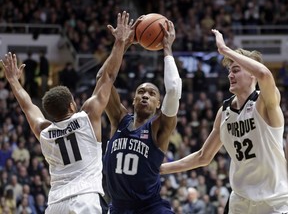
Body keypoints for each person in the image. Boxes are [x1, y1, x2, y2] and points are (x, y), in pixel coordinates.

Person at [0, 11, 138, 214]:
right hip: (85, 199)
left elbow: (27, 106)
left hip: (56, 204)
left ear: (51, 113)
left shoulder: (44, 131)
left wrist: (13, 81)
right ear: (72, 106)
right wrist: (119, 42)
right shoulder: (87, 117)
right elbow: (108, 76)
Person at [160, 29, 288, 214]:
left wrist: (225, 49)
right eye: (229, 71)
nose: (230, 75)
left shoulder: (265, 102)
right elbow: (203, 156)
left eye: (236, 70)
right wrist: (161, 169)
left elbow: (265, 75)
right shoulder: (224, 111)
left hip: (274, 200)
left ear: (252, 74)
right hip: (241, 200)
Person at [99, 19, 182, 213]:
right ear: (134, 99)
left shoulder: (159, 127)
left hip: (149, 208)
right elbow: (102, 80)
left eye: (152, 94)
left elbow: (174, 89)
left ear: (158, 104)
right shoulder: (119, 119)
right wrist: (122, 45)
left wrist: (167, 48)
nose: (145, 95)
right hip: (118, 207)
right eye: (141, 92)